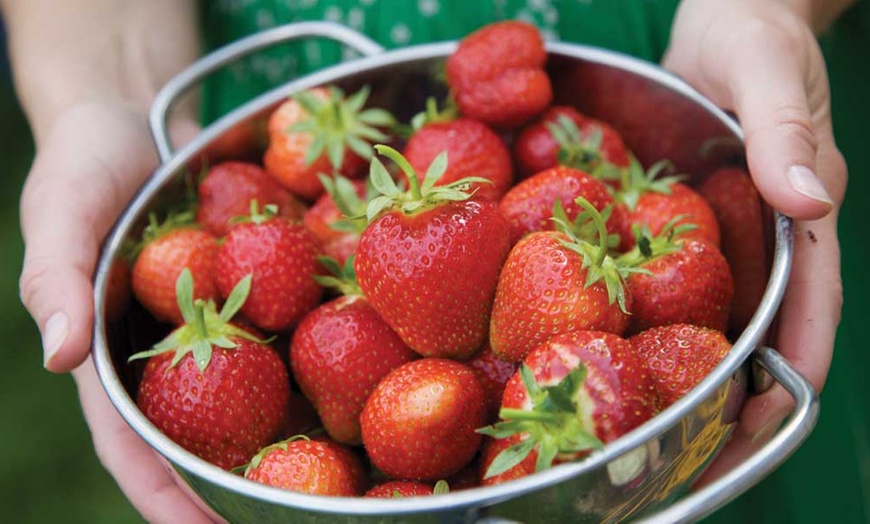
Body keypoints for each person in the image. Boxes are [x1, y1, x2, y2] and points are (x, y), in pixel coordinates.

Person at [0, 0, 856, 522]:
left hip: (671, 42)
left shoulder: (518, 252)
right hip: (315, 126)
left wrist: (767, 8)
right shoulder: (376, 237)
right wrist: (107, 92)